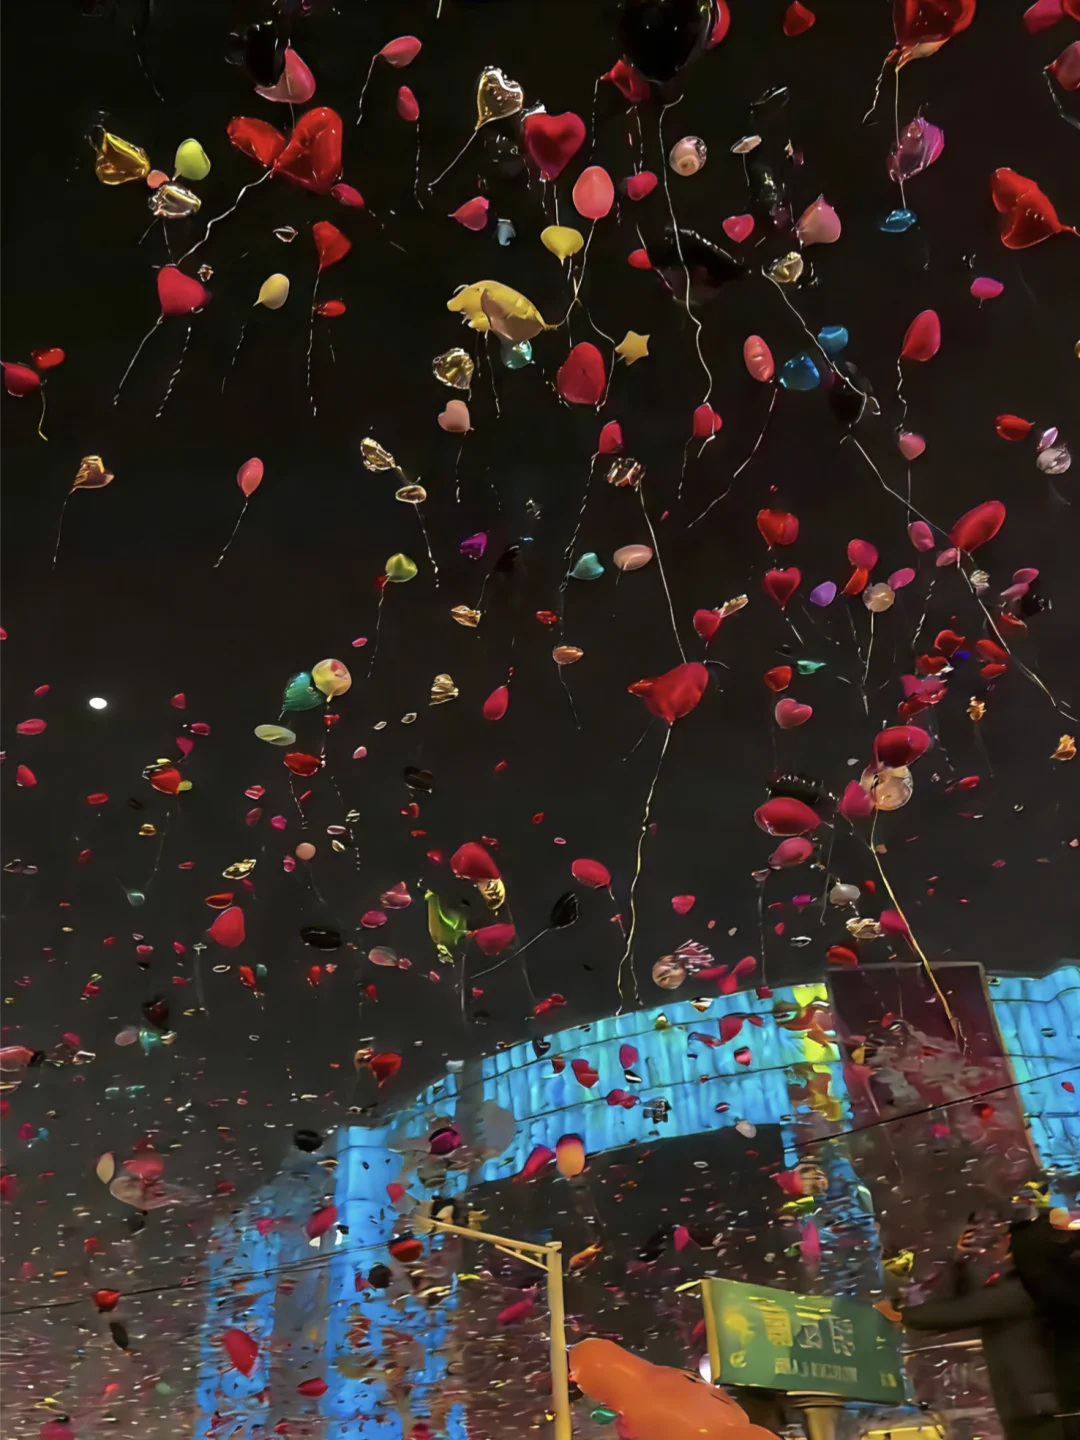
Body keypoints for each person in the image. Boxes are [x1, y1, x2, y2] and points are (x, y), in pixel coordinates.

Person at [902, 1218, 1066, 1440]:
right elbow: (952, 1302)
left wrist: (899, 1315)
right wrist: (959, 1261)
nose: (1003, 1244)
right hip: (1026, 1406)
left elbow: (960, 1311)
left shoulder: (1027, 1288)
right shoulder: (1016, 1282)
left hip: (1039, 1408)